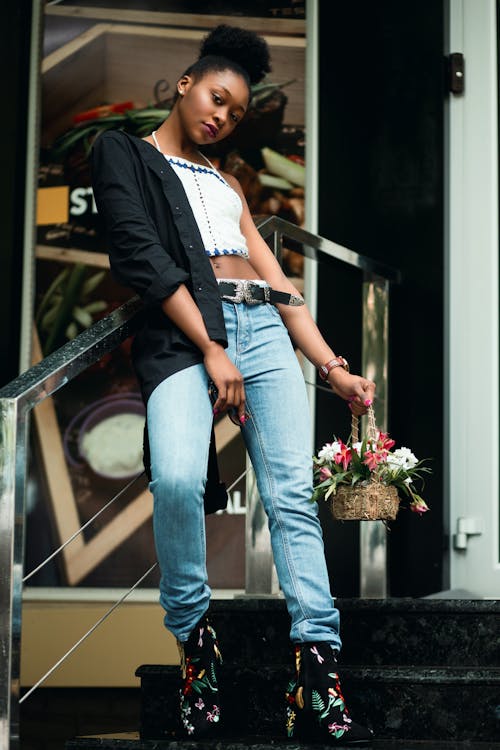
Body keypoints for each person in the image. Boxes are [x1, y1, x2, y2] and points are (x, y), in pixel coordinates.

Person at [91, 25, 375, 745]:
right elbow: (142, 256)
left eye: (236, 112)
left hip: (265, 338)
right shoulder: (124, 154)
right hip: (187, 340)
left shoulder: (226, 184)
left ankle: (317, 667)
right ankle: (195, 644)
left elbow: (282, 287)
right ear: (186, 85)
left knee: (290, 498)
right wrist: (213, 347)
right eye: (217, 98)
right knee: (182, 480)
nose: (222, 116)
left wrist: (334, 370)